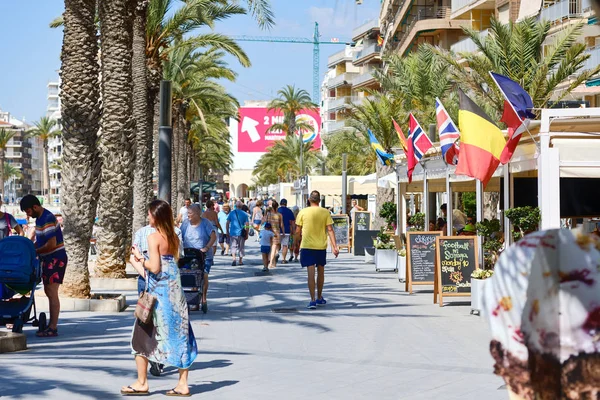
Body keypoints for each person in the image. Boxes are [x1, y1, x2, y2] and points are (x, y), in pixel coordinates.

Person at [126, 200, 197, 396]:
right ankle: (183, 384)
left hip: (158, 297)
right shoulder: (174, 237)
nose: (147, 217)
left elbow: (155, 267)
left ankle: (142, 382)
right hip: (176, 295)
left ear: (155, 216)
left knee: (139, 338)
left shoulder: (153, 237)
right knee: (181, 337)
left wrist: (140, 258)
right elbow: (169, 266)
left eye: (149, 214)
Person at [20, 195, 67, 337]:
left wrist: (35, 251)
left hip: (55, 259)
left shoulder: (46, 219)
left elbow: (51, 244)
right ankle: (51, 325)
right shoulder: (40, 219)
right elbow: (42, 242)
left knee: (52, 293)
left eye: (28, 211)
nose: (27, 214)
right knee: (48, 291)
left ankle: (53, 327)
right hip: (48, 259)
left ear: (35, 207)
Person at [295, 190, 339, 310]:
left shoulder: (302, 212)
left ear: (309, 200)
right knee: (321, 272)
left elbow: (298, 231)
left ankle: (312, 300)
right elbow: (330, 230)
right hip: (320, 246)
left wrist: (295, 244)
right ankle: (319, 297)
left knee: (310, 273)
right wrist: (335, 246)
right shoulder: (325, 212)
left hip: (307, 246)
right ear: (319, 200)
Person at [181, 204, 216, 314]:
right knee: (189, 275)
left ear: (197, 214)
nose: (188, 216)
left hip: (204, 255)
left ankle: (203, 298)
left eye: (190, 213)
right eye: (187, 213)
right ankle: (192, 299)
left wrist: (206, 247)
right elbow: (180, 236)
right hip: (189, 255)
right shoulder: (186, 223)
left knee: (204, 275)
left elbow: (213, 236)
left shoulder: (205, 223)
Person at [227, 200, 249, 266]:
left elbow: (227, 223)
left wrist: (227, 231)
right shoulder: (245, 214)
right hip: (241, 233)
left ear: (235, 206)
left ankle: (234, 259)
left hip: (233, 232)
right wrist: (247, 233)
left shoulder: (231, 213)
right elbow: (247, 225)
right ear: (241, 206)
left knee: (233, 246)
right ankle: (240, 261)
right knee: (241, 247)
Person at [264, 201, 285, 269]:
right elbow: (281, 225)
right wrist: (283, 233)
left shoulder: (268, 214)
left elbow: (265, 222)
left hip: (269, 232)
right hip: (276, 233)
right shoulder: (279, 215)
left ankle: (272, 262)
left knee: (270, 248)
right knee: (274, 248)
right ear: (277, 206)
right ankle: (271, 263)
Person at [278, 199, 296, 264]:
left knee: (277, 244)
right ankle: (283, 259)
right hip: (287, 230)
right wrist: (293, 231)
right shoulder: (289, 211)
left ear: (280, 203)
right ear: (286, 204)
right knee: (285, 245)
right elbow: (292, 222)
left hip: (277, 230)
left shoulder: (277, 210)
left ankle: (276, 253)